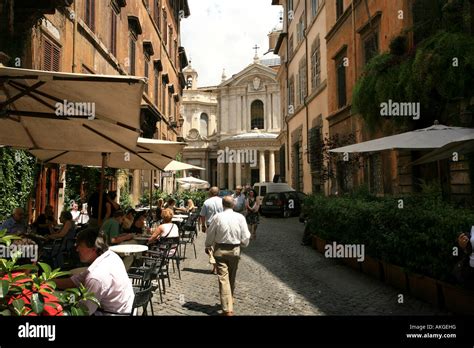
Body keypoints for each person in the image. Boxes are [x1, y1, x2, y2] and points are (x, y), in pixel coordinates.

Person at [53, 228, 134, 315]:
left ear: (94, 249)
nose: (77, 249)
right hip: (125, 308)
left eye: (80, 246)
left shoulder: (96, 276)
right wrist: (46, 282)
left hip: (111, 313)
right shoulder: (110, 255)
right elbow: (74, 281)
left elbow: (83, 311)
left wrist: (63, 300)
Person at [205, 196, 251, 316]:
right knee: (231, 276)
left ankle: (227, 309)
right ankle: (229, 301)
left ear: (222, 205)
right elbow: (246, 235)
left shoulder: (217, 217)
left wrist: (208, 245)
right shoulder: (240, 217)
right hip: (235, 250)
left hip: (220, 250)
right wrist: (243, 244)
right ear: (234, 205)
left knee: (223, 278)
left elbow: (211, 233)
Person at [200, 187, 224, 274]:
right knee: (219, 245)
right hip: (222, 225)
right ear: (218, 193)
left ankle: (215, 265)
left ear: (210, 193)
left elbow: (202, 215)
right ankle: (218, 266)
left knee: (209, 246)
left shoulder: (207, 202)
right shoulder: (222, 201)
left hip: (211, 226)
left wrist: (203, 225)